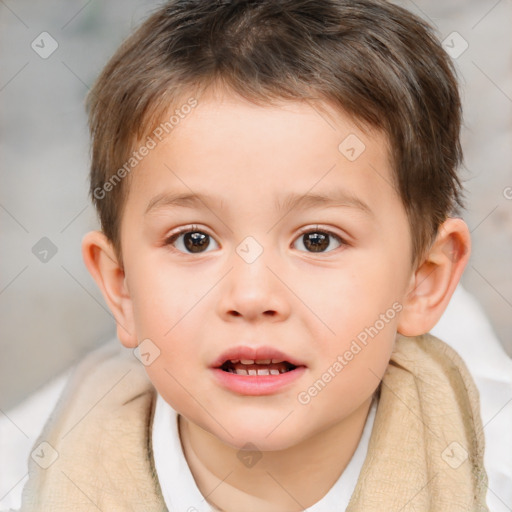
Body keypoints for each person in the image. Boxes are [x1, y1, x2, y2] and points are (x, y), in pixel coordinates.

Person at [17, 0, 489, 510]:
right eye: (193, 240)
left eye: (317, 240)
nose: (251, 295)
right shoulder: (37, 480)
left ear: (424, 279)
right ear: (121, 286)